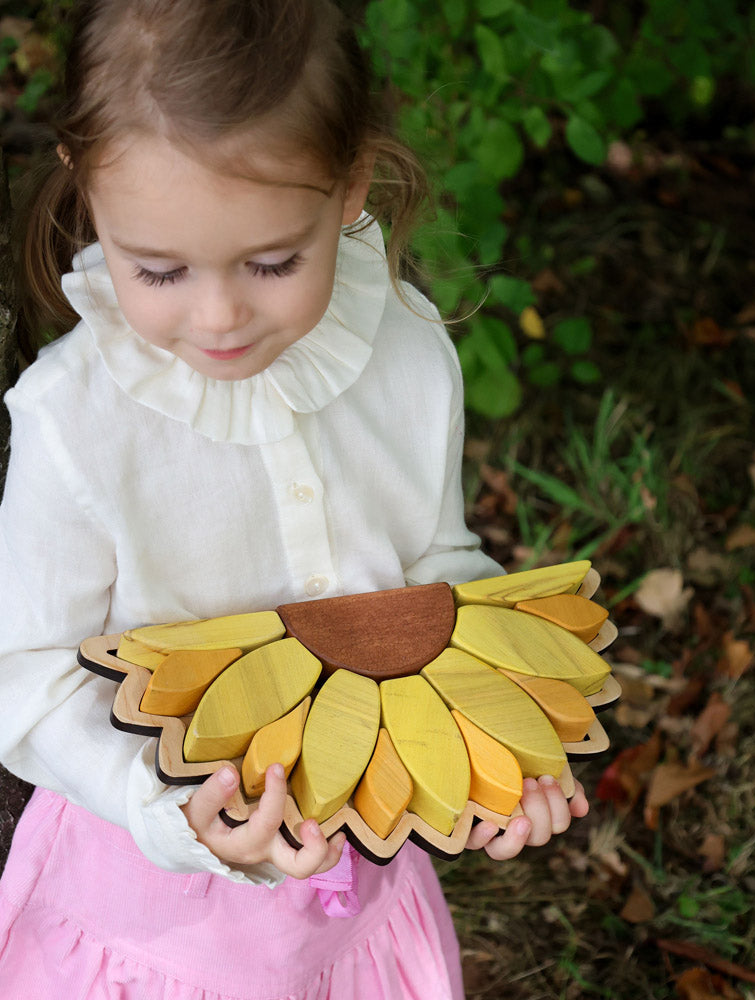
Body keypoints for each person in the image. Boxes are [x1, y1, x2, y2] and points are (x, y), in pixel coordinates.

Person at [0, 1, 589, 997]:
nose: (219, 315)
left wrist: (499, 740)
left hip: (355, 885)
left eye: (272, 262)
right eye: (159, 269)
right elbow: (29, 677)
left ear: (351, 181)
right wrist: (168, 811)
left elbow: (434, 575)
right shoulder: (77, 421)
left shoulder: (401, 343)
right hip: (150, 914)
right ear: (85, 181)